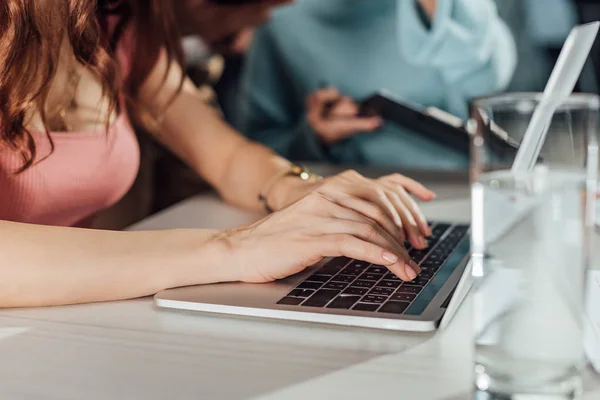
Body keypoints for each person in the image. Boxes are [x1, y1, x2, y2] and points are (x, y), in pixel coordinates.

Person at [0, 0, 436, 308]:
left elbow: (224, 156)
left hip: (65, 322)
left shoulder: (115, 24)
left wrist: (304, 191)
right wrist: (234, 248)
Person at [239, 0, 517, 169]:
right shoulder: (274, 16)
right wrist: (314, 137)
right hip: (337, 201)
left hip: (455, 187)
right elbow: (255, 148)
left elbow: (489, 78)